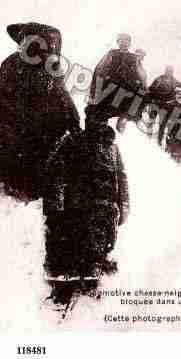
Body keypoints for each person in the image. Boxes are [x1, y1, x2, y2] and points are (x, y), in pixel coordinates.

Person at [43, 104, 129, 304]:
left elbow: (121, 178)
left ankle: (91, 294)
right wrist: (57, 202)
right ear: (87, 120)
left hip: (105, 209)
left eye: (101, 120)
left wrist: (124, 205)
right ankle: (66, 295)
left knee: (99, 250)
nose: (97, 123)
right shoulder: (72, 141)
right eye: (94, 119)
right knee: (75, 249)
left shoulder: (112, 148)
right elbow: (56, 169)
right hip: (78, 206)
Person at [0, 22, 80, 200]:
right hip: (15, 127)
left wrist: (72, 119)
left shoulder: (48, 66)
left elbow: (61, 93)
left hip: (35, 130)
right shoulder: (12, 63)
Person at [89, 33, 144, 133]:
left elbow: (140, 75)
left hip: (127, 90)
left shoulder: (133, 57)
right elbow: (99, 70)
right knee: (95, 110)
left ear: (130, 43)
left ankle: (123, 120)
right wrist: (94, 93)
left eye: (127, 40)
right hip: (111, 88)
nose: (124, 43)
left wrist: (140, 86)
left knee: (137, 105)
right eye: (121, 40)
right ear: (118, 42)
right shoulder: (112, 53)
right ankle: (100, 130)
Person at [147, 65, 181, 137]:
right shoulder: (159, 79)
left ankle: (159, 140)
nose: (169, 73)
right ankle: (149, 137)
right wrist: (149, 101)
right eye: (168, 71)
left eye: (171, 72)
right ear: (165, 71)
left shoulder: (173, 80)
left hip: (165, 105)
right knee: (151, 121)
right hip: (156, 103)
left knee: (162, 123)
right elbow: (151, 89)